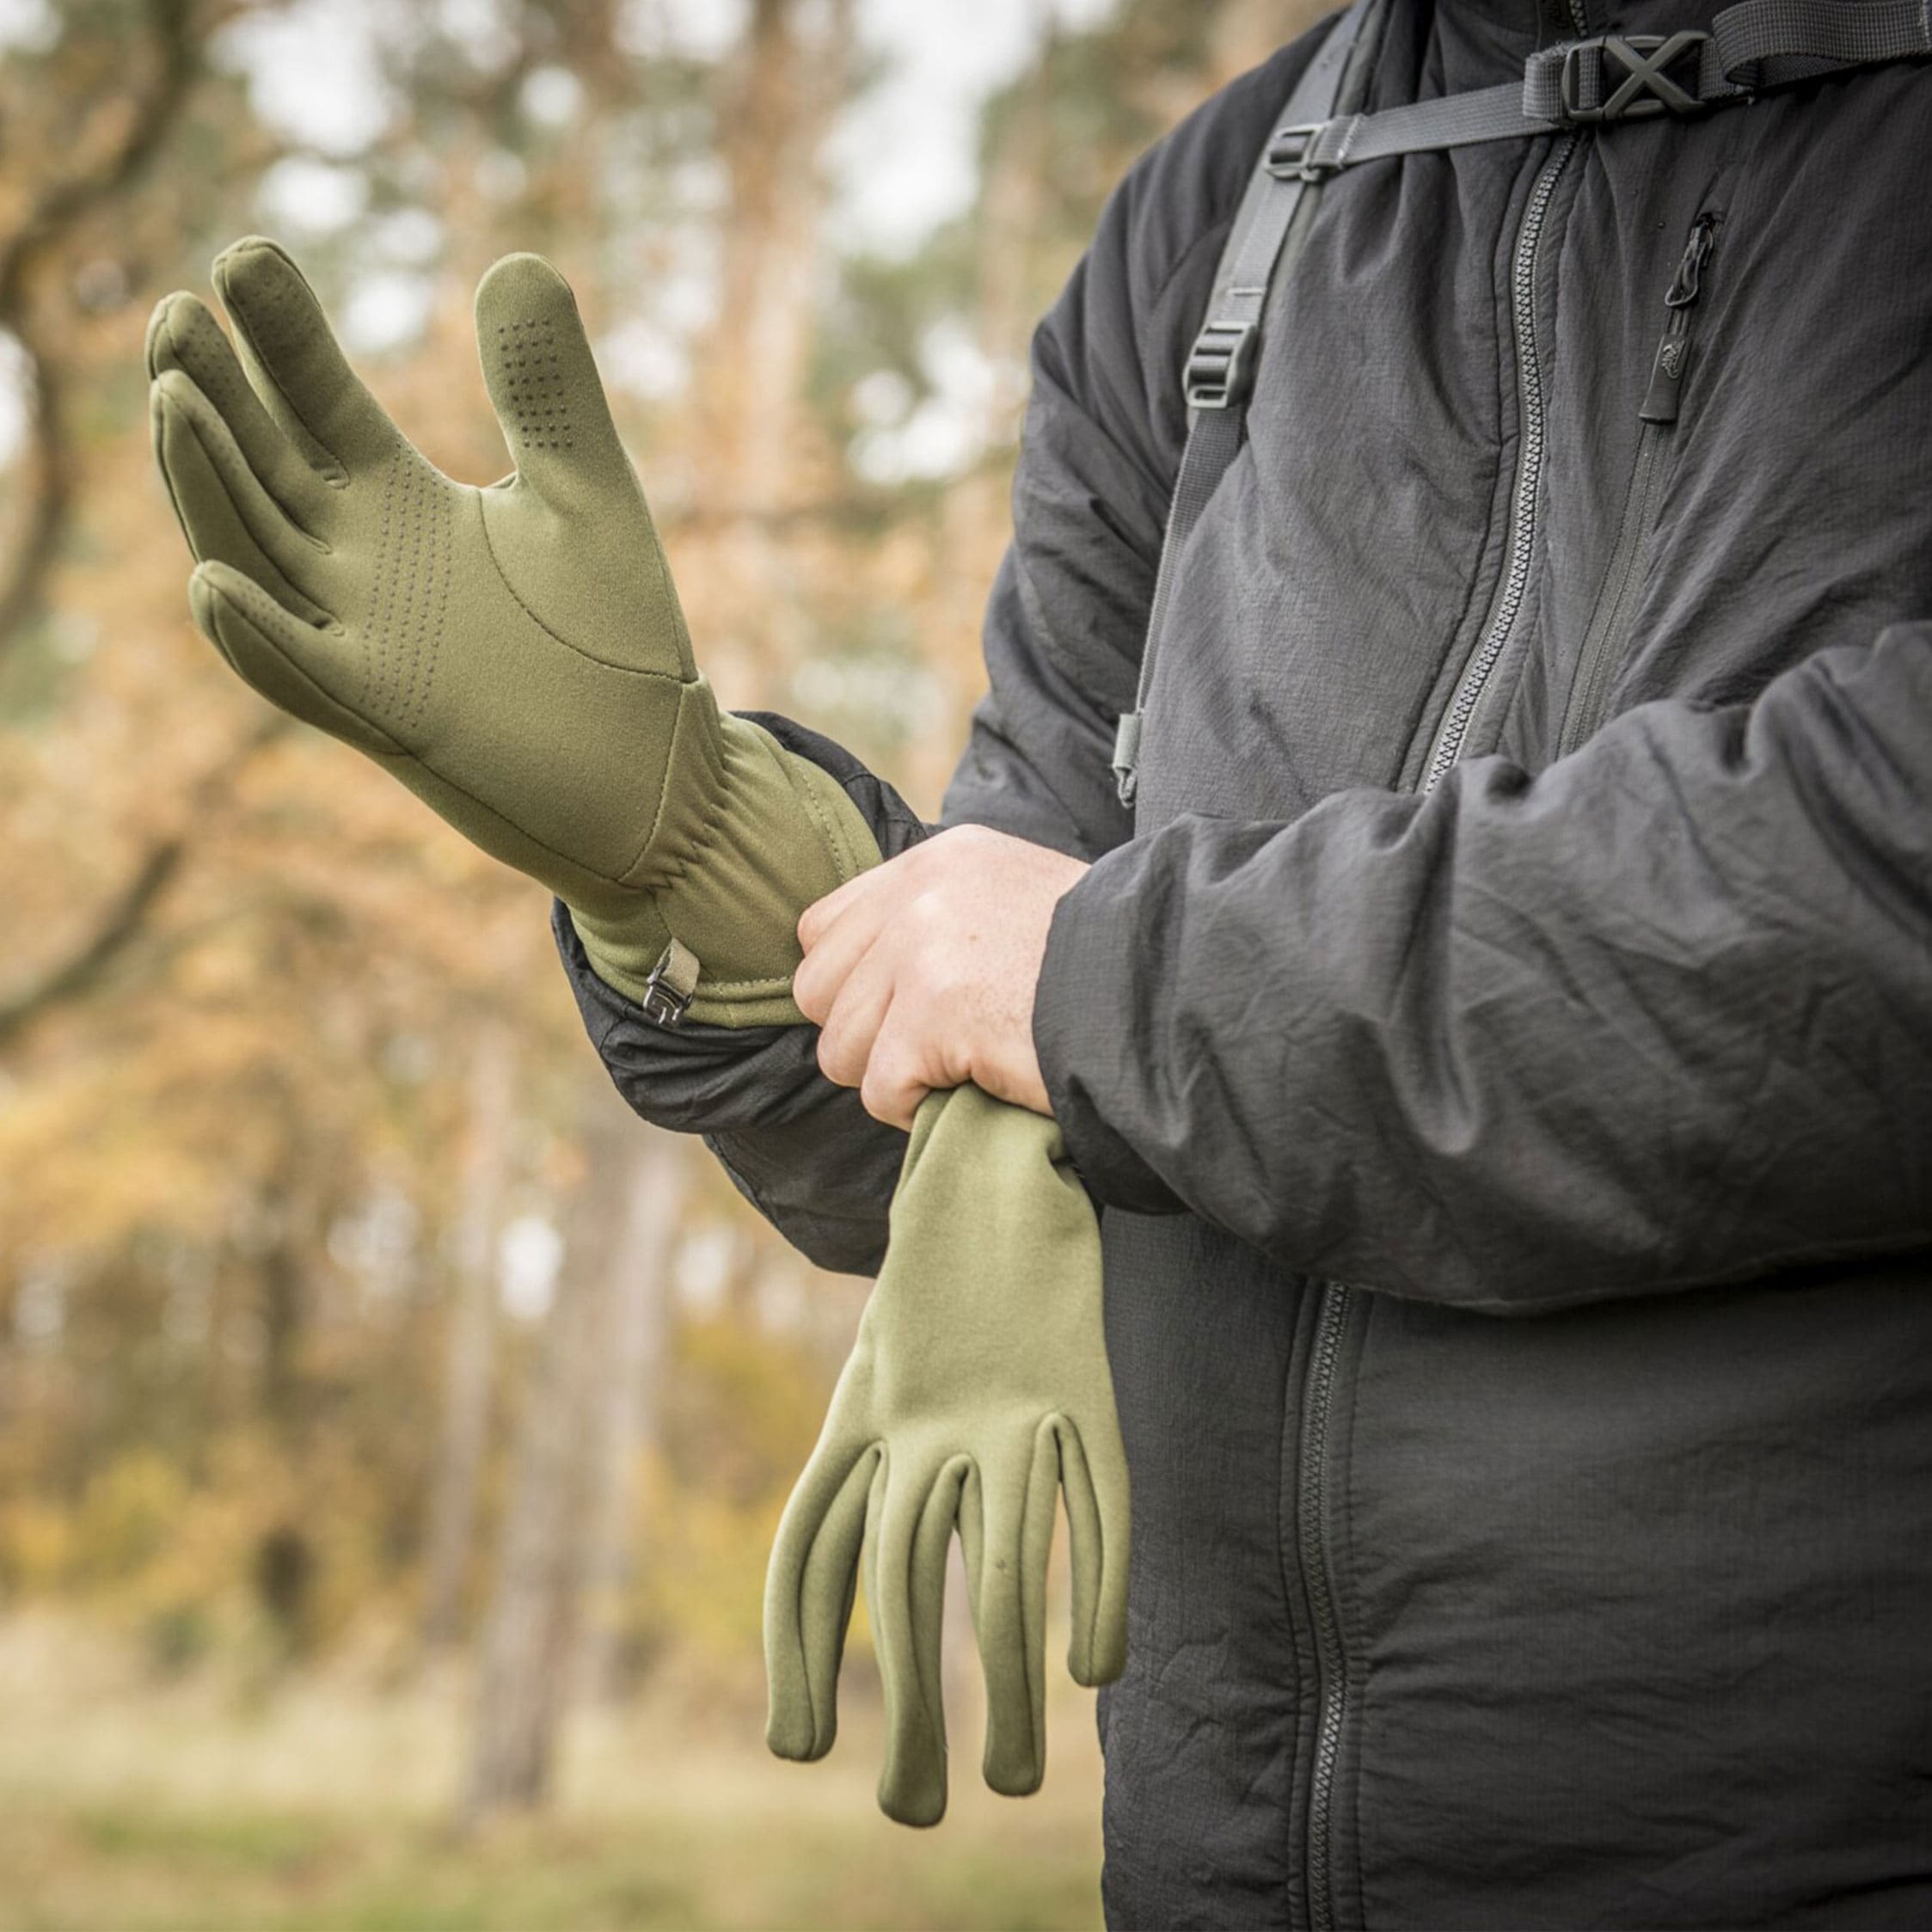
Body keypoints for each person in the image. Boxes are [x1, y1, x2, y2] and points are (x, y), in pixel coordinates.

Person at [561, 0, 1932, 1925]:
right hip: (1215, 1861)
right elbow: (1007, 1034)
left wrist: (1104, 982)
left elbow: (1872, 898)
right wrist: (678, 862)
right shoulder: (1222, 201)